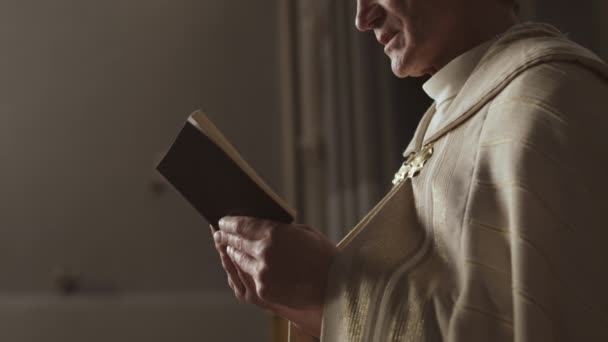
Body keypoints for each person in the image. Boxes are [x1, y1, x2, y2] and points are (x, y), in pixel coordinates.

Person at [211, 0, 608, 340]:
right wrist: (316, 305)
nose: (362, 17)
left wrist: (327, 289)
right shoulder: (447, 120)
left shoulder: (550, 101)